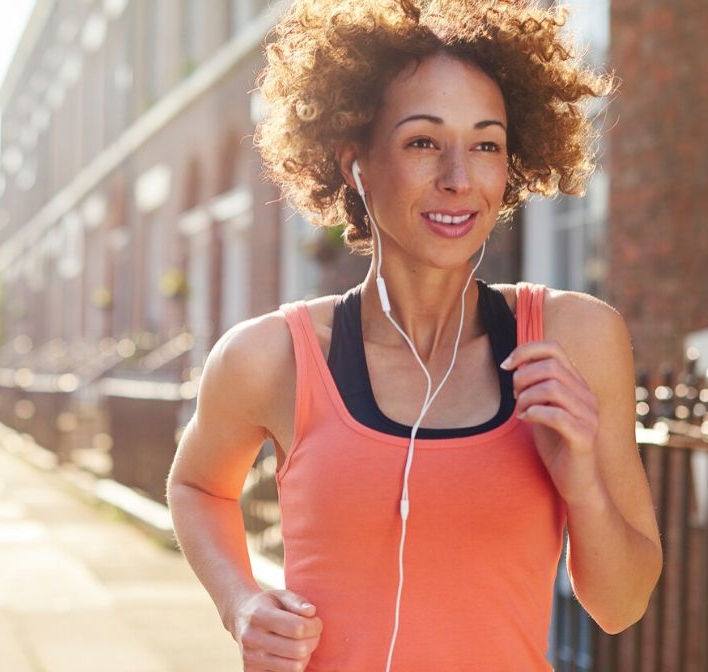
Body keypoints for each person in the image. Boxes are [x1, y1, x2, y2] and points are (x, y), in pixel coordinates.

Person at [165, 1, 663, 670]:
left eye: (486, 144)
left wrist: (584, 486)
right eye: (423, 141)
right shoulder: (272, 357)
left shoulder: (576, 339)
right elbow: (197, 487)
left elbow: (621, 604)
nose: (460, 178)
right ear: (356, 162)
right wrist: (242, 604)